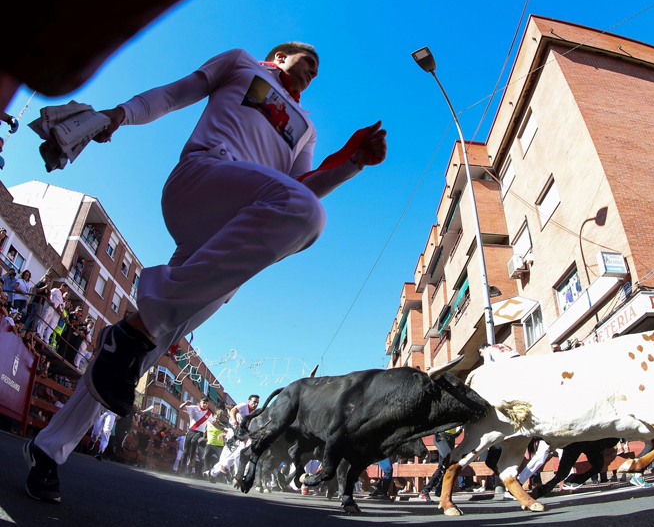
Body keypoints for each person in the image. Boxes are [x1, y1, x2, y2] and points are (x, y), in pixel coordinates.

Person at [24, 42, 386, 503]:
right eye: (307, 62)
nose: (313, 73)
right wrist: (120, 115)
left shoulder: (306, 128)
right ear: (279, 55)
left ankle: (48, 449)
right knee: (308, 215)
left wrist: (351, 164)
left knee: (142, 350)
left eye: (318, 71)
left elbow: (300, 186)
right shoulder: (241, 63)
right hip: (203, 178)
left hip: (230, 234)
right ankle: (138, 324)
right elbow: (175, 94)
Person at [178, 397, 213, 472]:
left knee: (194, 441)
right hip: (191, 431)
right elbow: (181, 407)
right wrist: (185, 403)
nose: (205, 404)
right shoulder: (194, 408)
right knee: (185, 451)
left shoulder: (209, 414)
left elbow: (213, 422)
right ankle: (182, 469)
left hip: (200, 433)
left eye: (206, 403)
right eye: (203, 402)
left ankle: (191, 459)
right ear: (200, 402)